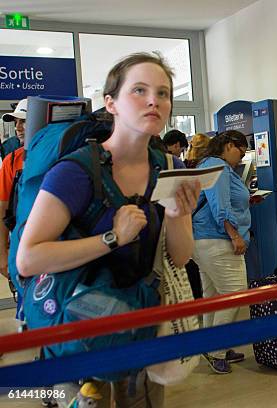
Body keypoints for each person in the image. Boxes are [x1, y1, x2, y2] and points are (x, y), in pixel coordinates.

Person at [16, 52, 200, 407]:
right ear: (110, 103)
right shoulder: (76, 172)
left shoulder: (168, 166)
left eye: (163, 93)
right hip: (78, 329)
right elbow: (28, 259)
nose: (153, 101)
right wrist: (112, 238)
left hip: (139, 322)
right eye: (140, 90)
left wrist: (177, 214)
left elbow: (179, 256)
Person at [191, 130, 250, 374]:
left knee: (213, 296)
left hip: (203, 239)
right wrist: (234, 234)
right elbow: (220, 205)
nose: (241, 158)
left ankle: (212, 345)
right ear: (227, 145)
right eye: (240, 151)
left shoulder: (207, 164)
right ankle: (215, 351)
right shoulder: (219, 167)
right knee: (236, 293)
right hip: (217, 240)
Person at [0, 98, 27, 315]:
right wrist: (2, 254)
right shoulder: (11, 161)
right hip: (22, 248)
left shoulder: (63, 156)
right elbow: (1, 209)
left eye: (24, 121)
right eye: (16, 122)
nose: (17, 127)